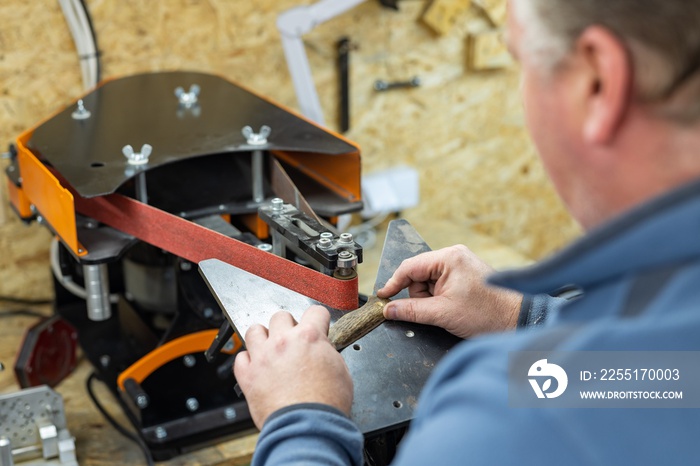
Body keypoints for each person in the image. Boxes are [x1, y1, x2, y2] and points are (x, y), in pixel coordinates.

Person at [233, 0, 700, 464]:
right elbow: (659, 376)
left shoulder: (498, 425)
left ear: (598, 82)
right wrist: (522, 315)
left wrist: (301, 418)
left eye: (521, 61)